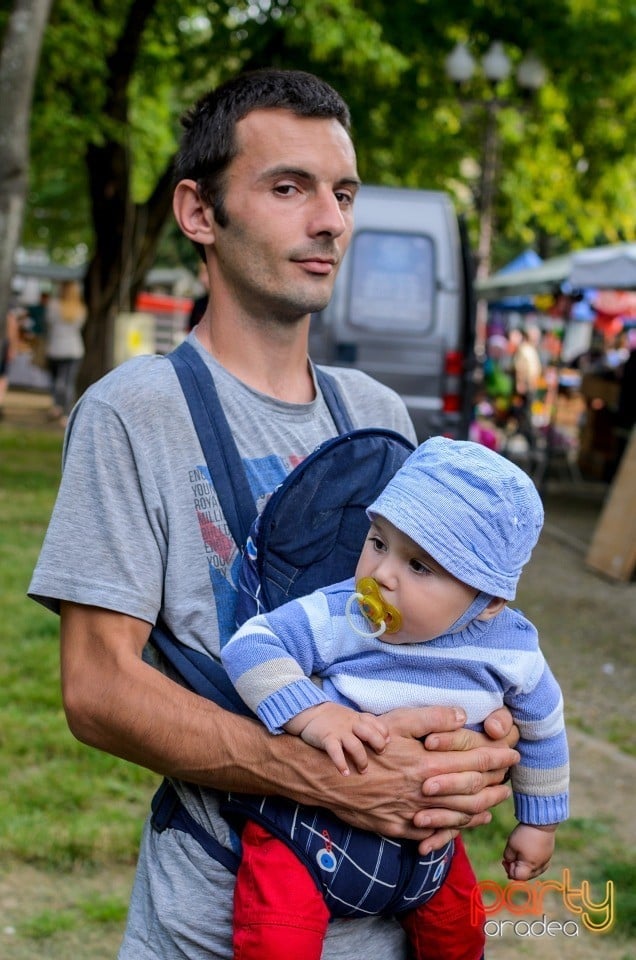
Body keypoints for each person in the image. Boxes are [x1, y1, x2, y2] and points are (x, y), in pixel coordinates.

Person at [29, 69, 519, 960]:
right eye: (289, 187)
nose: (330, 219)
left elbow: (446, 630)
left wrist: (477, 759)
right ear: (199, 212)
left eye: (342, 192)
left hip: (395, 921)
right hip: (219, 928)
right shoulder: (133, 412)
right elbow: (96, 689)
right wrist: (328, 779)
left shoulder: (378, 416)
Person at [222, 436, 569, 959]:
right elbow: (251, 645)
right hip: (308, 831)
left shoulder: (510, 647)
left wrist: (539, 821)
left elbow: (544, 724)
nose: (381, 574)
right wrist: (313, 713)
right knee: (277, 935)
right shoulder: (343, 615)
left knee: (461, 934)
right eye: (379, 542)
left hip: (430, 846)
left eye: (420, 566)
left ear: (489, 600)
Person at [45, 280, 86, 426]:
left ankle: (57, 405)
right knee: (68, 382)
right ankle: (66, 412)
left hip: (56, 348)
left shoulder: (53, 305)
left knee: (57, 381)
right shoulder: (80, 309)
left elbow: (48, 323)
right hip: (74, 349)